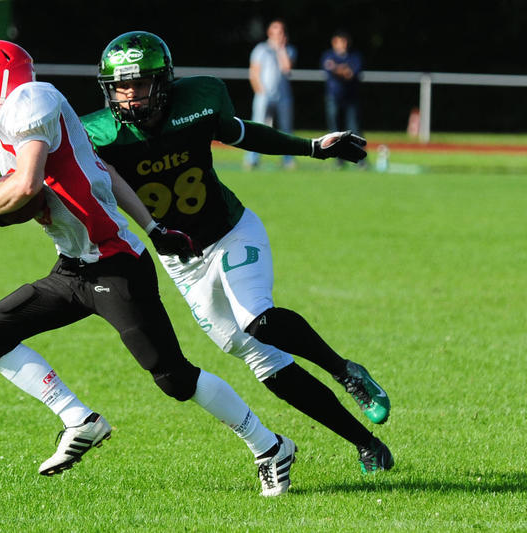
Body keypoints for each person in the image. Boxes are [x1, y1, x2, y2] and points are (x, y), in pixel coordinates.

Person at [0, 39, 297, 497]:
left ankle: (270, 446)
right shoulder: (7, 130)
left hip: (116, 266)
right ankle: (79, 420)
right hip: (74, 269)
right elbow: (102, 171)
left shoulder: (31, 101)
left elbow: (28, 185)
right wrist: (153, 227)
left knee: (174, 378)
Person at [81, 31, 393, 475]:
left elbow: (243, 134)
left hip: (230, 231)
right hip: (182, 260)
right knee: (260, 359)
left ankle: (345, 371)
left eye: (141, 83)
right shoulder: (96, 133)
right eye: (121, 86)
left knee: (256, 317)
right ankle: (367, 445)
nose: (130, 95)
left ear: (164, 83)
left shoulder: (198, 101)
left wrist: (310, 148)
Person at [244, 18, 296, 170]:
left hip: (283, 96)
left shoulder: (289, 50)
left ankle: (288, 160)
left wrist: (280, 49)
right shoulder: (260, 49)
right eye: (276, 31)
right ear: (269, 32)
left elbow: (287, 68)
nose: (279, 35)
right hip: (264, 95)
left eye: (281, 32)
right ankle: (252, 159)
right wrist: (260, 92)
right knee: (257, 128)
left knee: (286, 129)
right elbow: (254, 72)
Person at [320, 30, 364, 166]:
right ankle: (338, 159)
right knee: (335, 131)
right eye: (339, 41)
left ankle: (361, 160)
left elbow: (351, 73)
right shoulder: (328, 55)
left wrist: (337, 68)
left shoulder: (354, 56)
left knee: (354, 129)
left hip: (351, 98)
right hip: (333, 97)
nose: (342, 44)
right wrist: (343, 69)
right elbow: (331, 68)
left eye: (344, 41)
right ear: (334, 42)